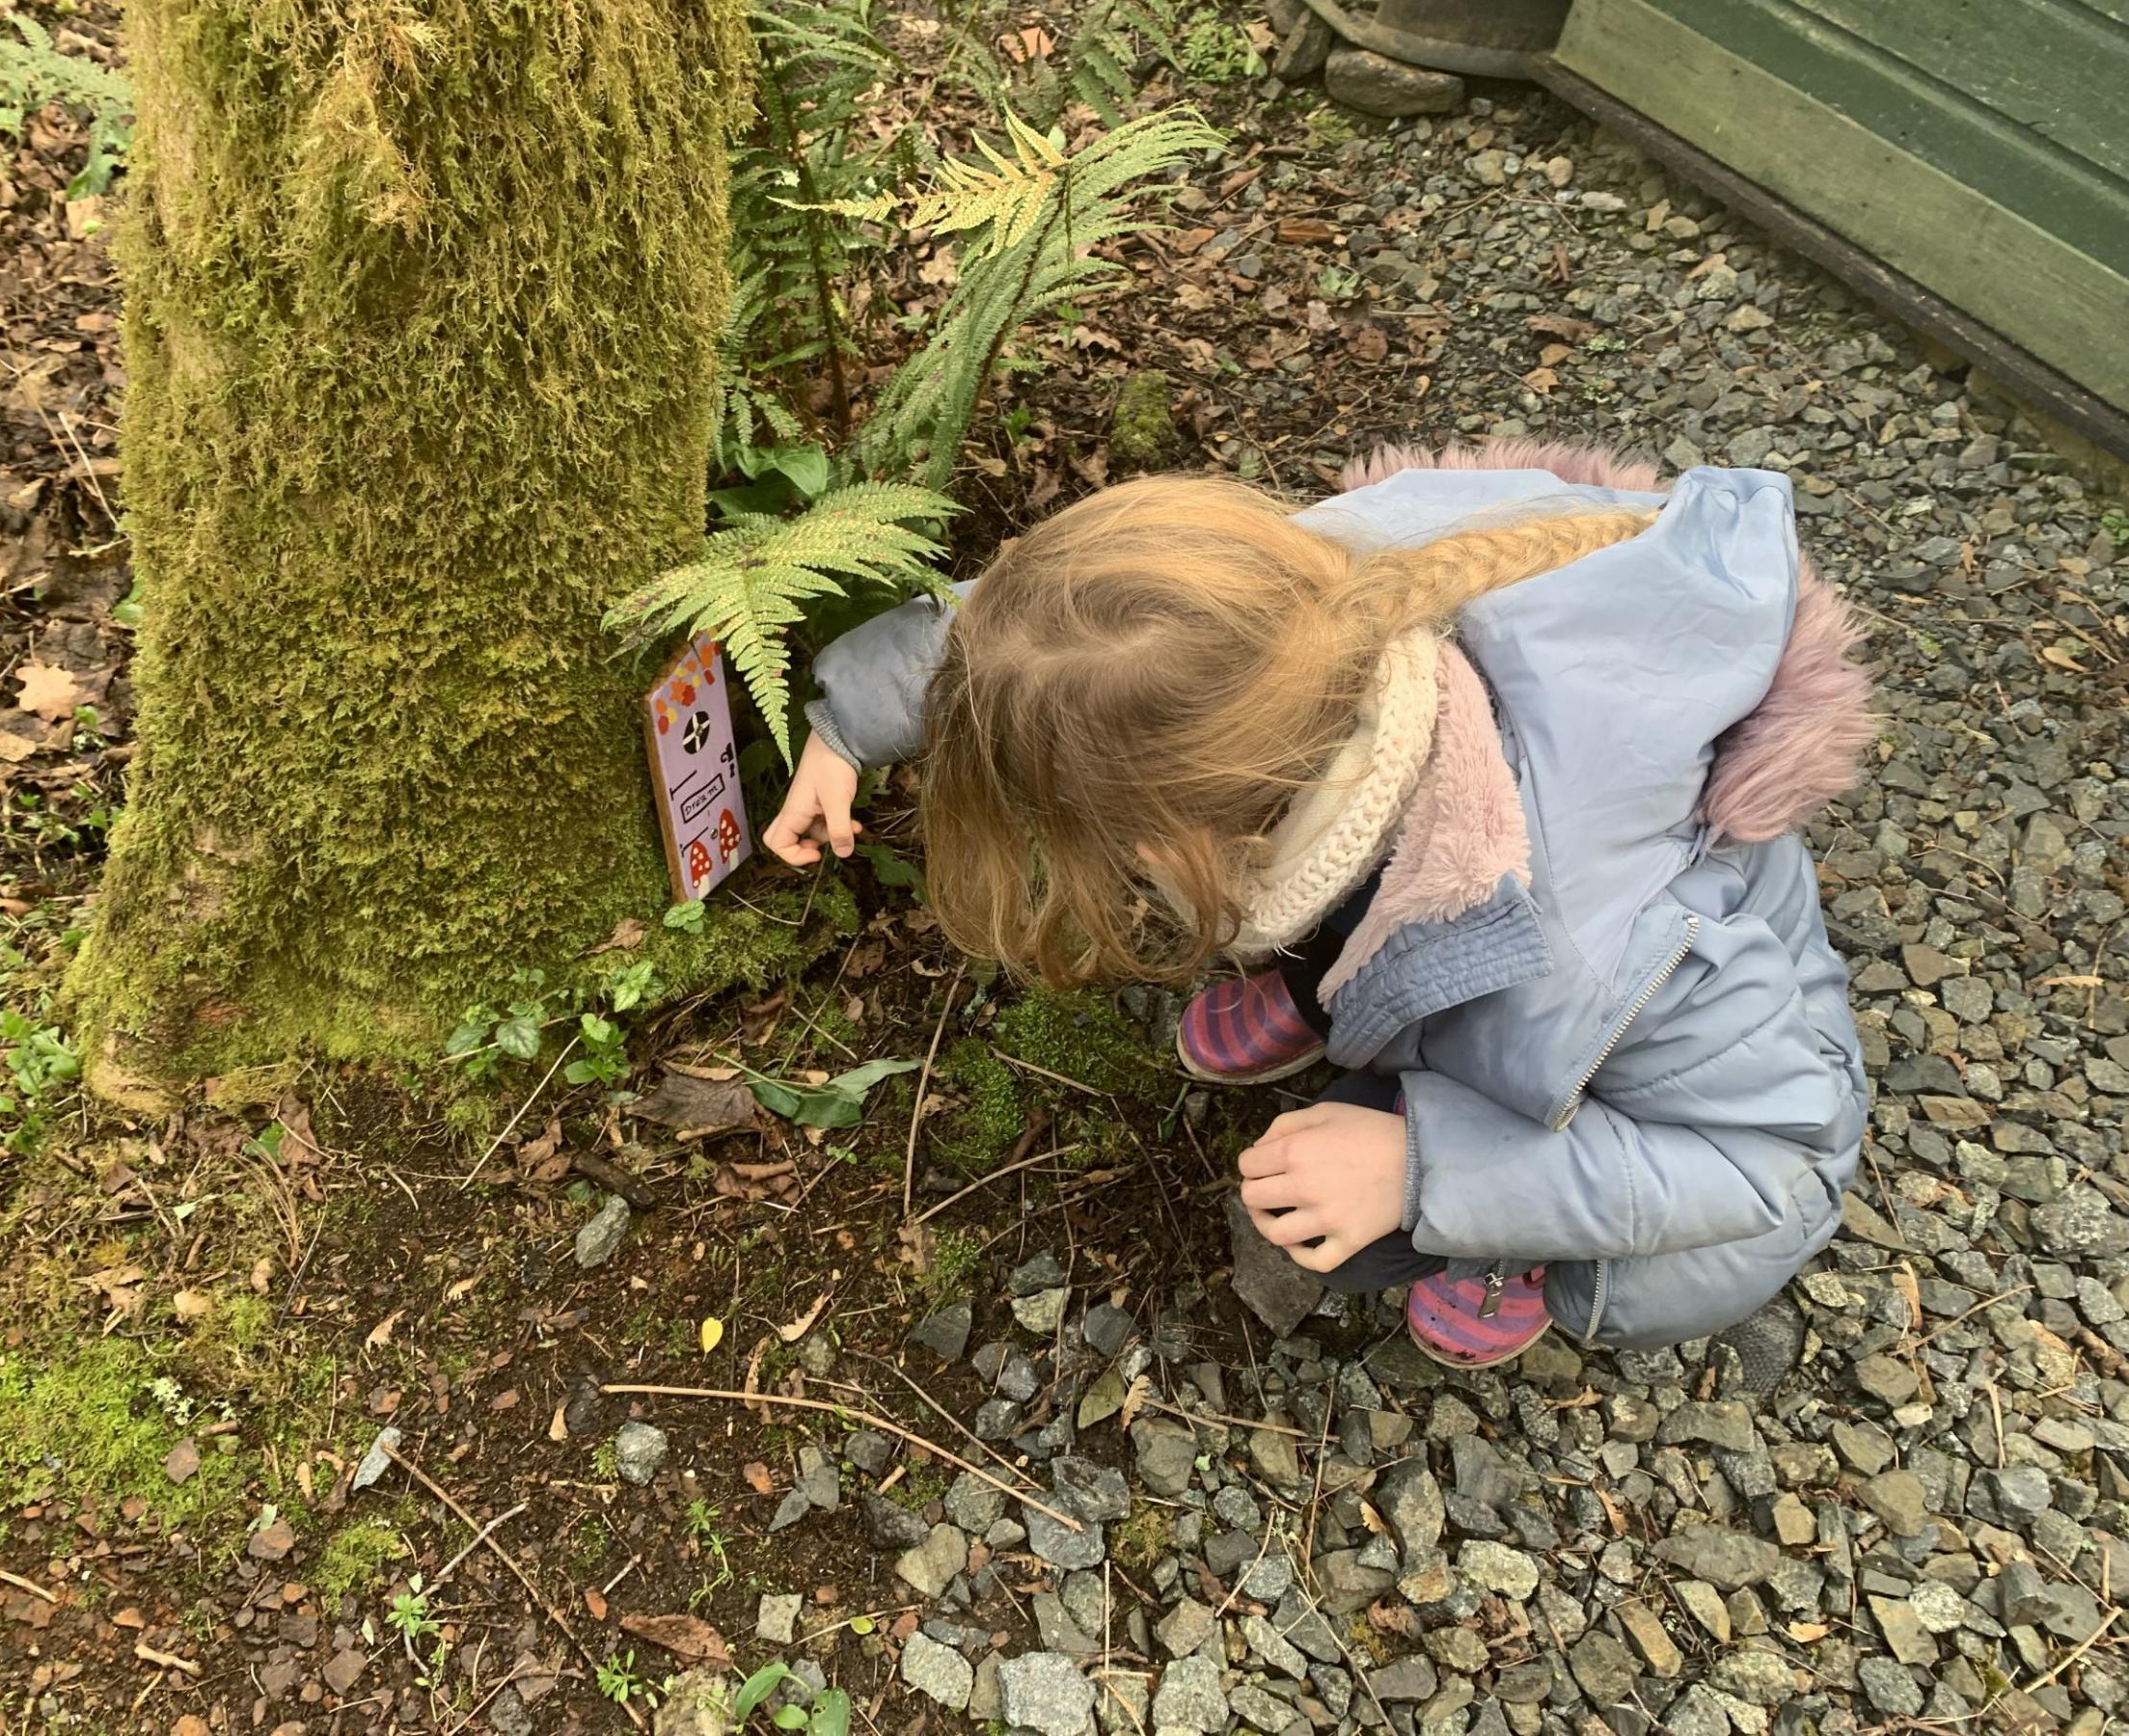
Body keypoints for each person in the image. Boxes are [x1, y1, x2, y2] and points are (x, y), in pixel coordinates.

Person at [765, 440, 1874, 1367]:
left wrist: (1429, 1172)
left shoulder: (1605, 951)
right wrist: (850, 721)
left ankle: (1506, 1230)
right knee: (1356, 938)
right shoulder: (1293, 609)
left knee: (1386, 1230)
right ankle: (1344, 984)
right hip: (1435, 865)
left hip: (1620, 1070)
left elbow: (1775, 1162)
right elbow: (1059, 648)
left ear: (1174, 839)